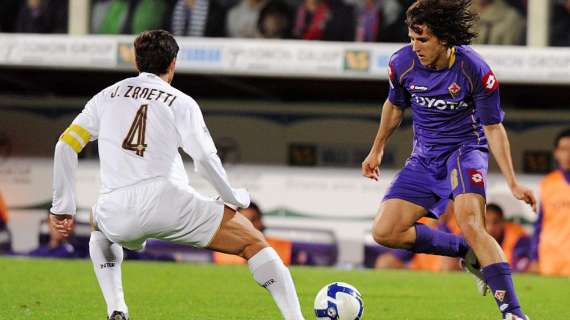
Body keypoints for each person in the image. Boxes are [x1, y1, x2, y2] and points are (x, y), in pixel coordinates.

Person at [49, 30, 304, 320]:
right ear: (173, 63)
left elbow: (65, 145)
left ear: (136, 62)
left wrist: (62, 207)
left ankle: (117, 308)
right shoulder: (180, 102)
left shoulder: (105, 96)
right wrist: (233, 198)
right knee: (253, 242)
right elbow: (205, 159)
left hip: (117, 210)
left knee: (100, 229)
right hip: (168, 202)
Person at [361, 1, 535, 319]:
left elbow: (493, 128)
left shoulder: (475, 70)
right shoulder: (402, 63)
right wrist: (377, 148)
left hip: (465, 151)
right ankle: (465, 252)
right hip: (424, 157)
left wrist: (512, 181)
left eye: (423, 39)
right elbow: (394, 106)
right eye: (412, 38)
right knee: (385, 231)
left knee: (471, 224)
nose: (416, 47)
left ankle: (513, 312)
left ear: (444, 38)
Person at [530, 129, 570, 276]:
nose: (567, 154)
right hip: (550, 260)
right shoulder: (547, 183)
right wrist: (534, 257)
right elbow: (539, 224)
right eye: (563, 149)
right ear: (556, 153)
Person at [213, 201, 292, 265]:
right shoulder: (222, 253)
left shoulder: (282, 247)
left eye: (253, 220)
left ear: (261, 221)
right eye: (244, 223)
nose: (249, 226)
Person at [485, 203, 531, 273]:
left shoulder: (519, 239)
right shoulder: (470, 239)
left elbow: (524, 266)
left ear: (503, 222)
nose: (490, 228)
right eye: (486, 222)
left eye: (495, 222)